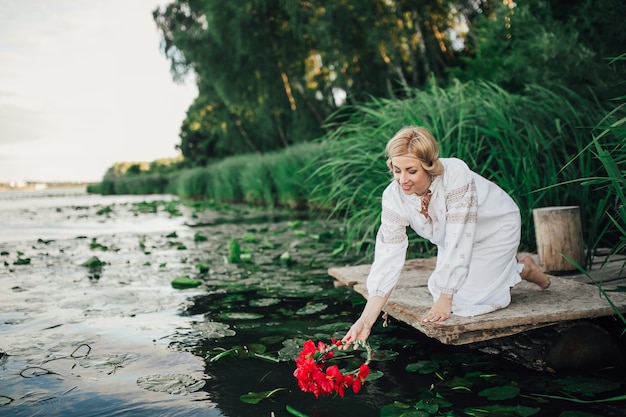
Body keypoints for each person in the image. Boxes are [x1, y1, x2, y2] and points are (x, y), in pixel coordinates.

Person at [341, 126, 550, 348]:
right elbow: (387, 259)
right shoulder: (393, 197)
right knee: (441, 288)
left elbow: (460, 235)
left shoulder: (455, 174)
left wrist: (446, 297)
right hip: (453, 240)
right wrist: (365, 321)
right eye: (397, 170)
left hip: (495, 228)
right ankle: (519, 268)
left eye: (411, 171)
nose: (403, 180)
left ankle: (517, 268)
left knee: (468, 301)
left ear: (428, 165)